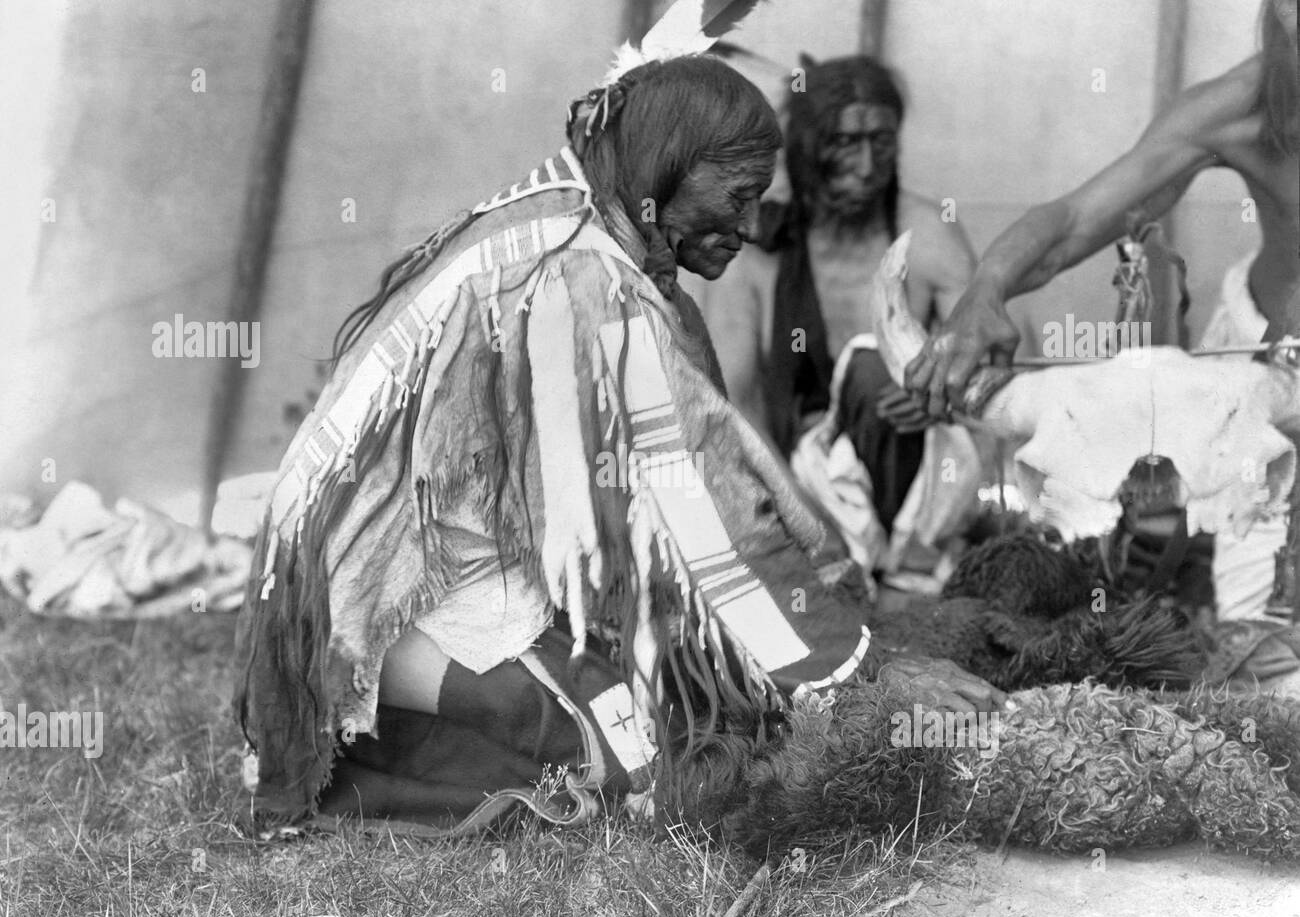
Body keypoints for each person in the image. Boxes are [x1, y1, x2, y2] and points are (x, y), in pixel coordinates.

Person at [233, 51, 1003, 837]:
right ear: (667, 169)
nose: (746, 227)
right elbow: (701, 506)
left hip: (445, 562)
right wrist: (864, 669)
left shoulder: (584, 217)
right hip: (361, 603)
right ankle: (347, 736)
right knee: (636, 753)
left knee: (689, 693)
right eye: (736, 198)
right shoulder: (585, 275)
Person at [907, 0, 1299, 620]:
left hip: (1272, 370)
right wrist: (987, 288)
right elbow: (1070, 224)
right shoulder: (1233, 108)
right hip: (1257, 375)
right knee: (1263, 644)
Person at [691, 55, 985, 584]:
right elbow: (734, 404)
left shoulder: (929, 234)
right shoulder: (757, 245)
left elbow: (984, 369)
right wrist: (807, 525)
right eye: (846, 143)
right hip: (785, 487)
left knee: (875, 374)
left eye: (882, 141)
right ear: (804, 147)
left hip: (910, 504)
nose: (868, 166)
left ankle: (900, 562)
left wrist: (939, 397)